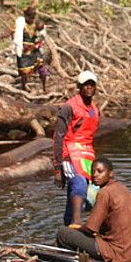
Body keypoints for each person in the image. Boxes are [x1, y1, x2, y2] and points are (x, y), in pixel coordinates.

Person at [54, 156, 131, 262]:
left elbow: (90, 229)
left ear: (111, 174)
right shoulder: (123, 188)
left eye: (100, 171)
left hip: (117, 252)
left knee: (63, 233)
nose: (95, 175)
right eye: (93, 172)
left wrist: (77, 228)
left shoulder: (105, 193)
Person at [53, 70, 101, 225]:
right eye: (85, 85)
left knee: (86, 194)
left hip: (87, 155)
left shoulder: (94, 109)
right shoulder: (68, 107)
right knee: (79, 184)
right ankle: (77, 223)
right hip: (70, 154)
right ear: (79, 87)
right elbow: (58, 136)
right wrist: (58, 167)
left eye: (92, 85)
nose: (89, 88)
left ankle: (67, 227)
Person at [12, 5, 50, 90]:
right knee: (24, 72)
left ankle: (44, 87)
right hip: (24, 52)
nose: (32, 19)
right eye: (30, 18)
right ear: (26, 16)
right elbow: (16, 36)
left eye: (33, 18)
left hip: (34, 50)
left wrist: (38, 41)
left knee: (41, 69)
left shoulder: (36, 24)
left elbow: (42, 35)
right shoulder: (21, 25)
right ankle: (23, 87)